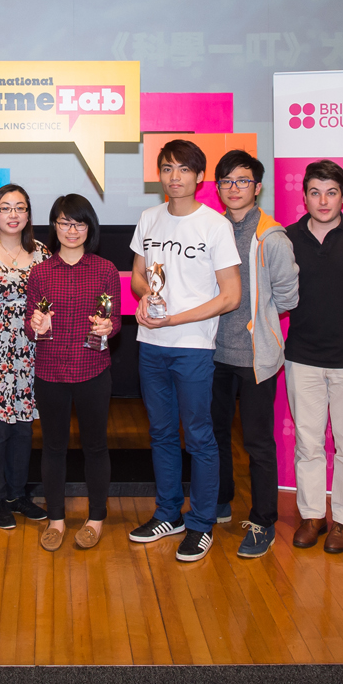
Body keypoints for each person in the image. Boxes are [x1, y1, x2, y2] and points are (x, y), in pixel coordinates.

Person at [128, 139, 242, 563]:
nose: (174, 177)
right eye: (167, 168)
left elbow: (230, 295)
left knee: (199, 437)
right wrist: (144, 298)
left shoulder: (214, 225)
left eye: (183, 169)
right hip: (150, 345)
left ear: (198, 176)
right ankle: (168, 513)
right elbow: (140, 275)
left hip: (192, 346)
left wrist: (175, 319)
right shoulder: (149, 218)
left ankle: (201, 523)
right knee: (160, 433)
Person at [282, 160, 343, 555]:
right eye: (315, 192)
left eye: (332, 192)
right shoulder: (286, 238)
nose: (323, 201)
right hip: (302, 356)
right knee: (307, 443)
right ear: (303, 195)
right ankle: (312, 516)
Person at [209, 150, 298, 558]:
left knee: (258, 441)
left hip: (255, 355)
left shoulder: (272, 236)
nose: (234, 188)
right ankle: (222, 501)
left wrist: (257, 318)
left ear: (258, 187)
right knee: (214, 434)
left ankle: (263, 521)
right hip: (212, 351)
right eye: (227, 181)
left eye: (242, 181)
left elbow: (288, 296)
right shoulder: (210, 229)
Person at [25, 195, 120, 551]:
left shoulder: (105, 269)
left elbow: (116, 322)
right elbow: (31, 324)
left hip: (93, 370)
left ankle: (95, 518)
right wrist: (35, 324)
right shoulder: (40, 272)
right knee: (53, 448)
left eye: (79, 223)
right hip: (50, 371)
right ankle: (56, 520)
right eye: (64, 223)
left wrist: (107, 327)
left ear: (89, 227)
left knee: (95, 446)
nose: (71, 230)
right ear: (54, 227)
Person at [0, 183, 48, 530]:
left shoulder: (44, 253)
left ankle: (18, 495)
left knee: (24, 429)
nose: (13, 214)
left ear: (29, 214)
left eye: (20, 207)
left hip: (32, 350)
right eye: (5, 207)